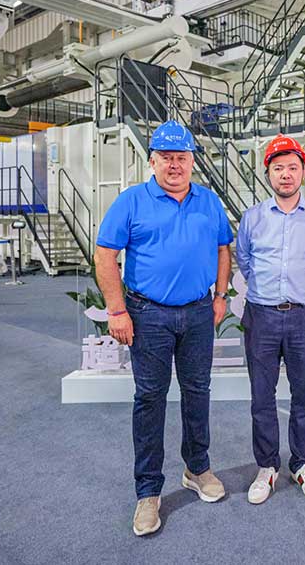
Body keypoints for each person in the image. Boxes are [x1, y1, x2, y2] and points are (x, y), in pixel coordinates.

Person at [94, 120, 233, 536]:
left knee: (197, 391)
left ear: (192, 162)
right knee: (150, 398)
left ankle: (197, 469)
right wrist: (117, 311)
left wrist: (221, 296)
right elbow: (105, 255)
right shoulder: (131, 201)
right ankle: (149, 491)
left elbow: (223, 248)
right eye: (166, 158)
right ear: (152, 161)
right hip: (148, 314)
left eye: (182, 158)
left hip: (198, 313)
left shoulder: (208, 201)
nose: (175, 165)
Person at [236, 135, 305, 504]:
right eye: (278, 168)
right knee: (261, 396)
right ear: (268, 174)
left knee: (304, 394)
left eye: (293, 167)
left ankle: (302, 463)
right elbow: (245, 260)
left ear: (303, 172)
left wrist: (297, 289)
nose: (286, 174)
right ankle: (267, 467)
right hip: (261, 315)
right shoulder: (252, 218)